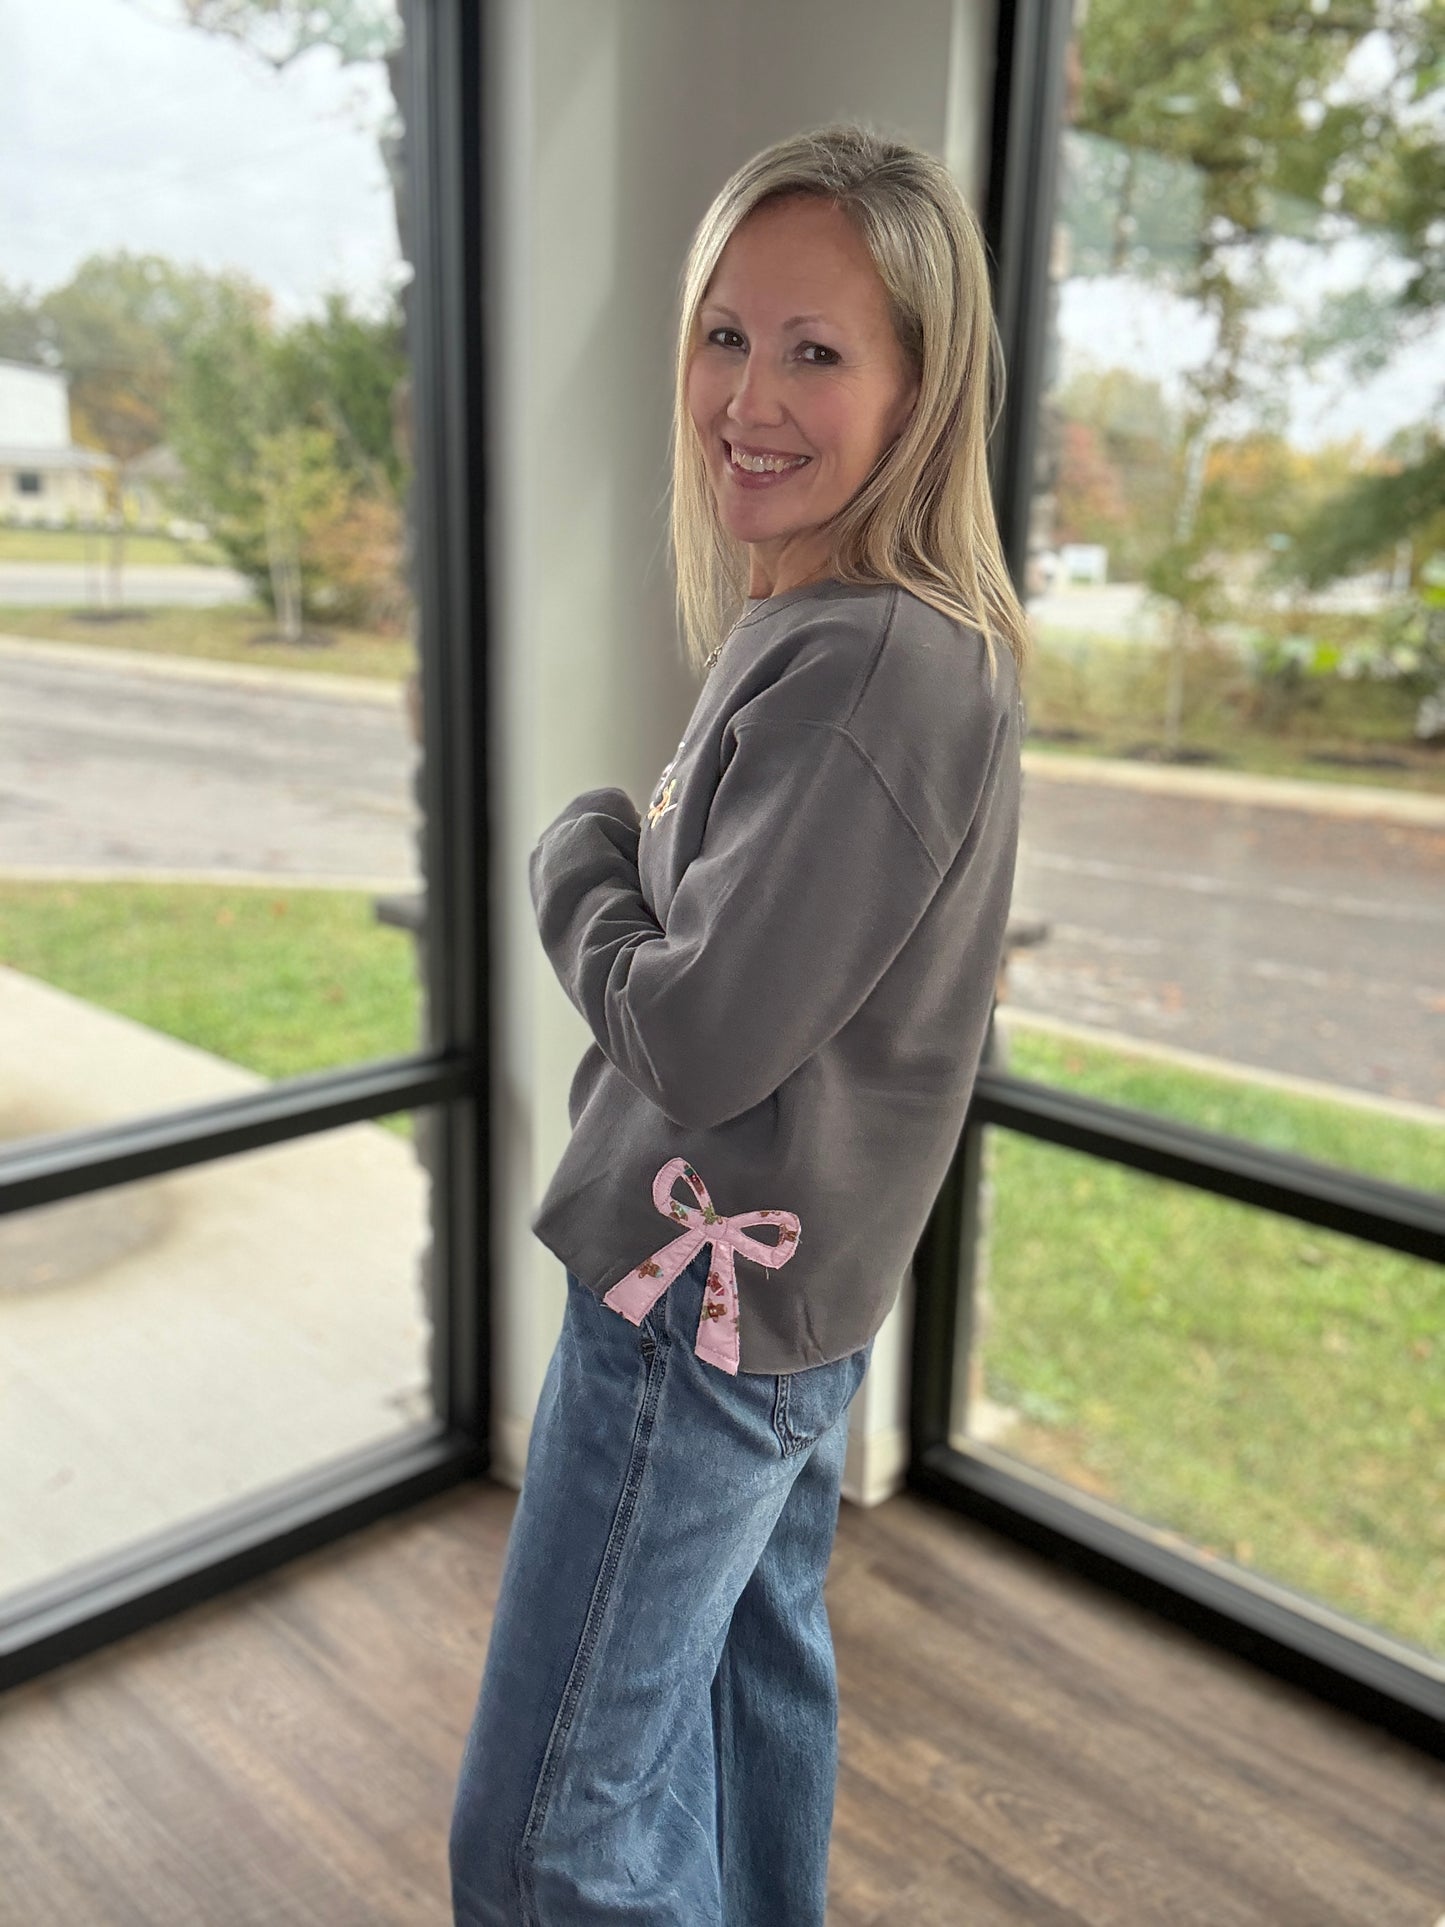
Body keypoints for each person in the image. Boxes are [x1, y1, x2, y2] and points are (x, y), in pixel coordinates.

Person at [448, 119, 1030, 1926]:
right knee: (739, 1708)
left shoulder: (867, 663)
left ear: (920, 389)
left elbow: (696, 1039)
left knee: (545, 1835)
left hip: (689, 1315)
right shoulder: (854, 630)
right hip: (770, 1314)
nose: (747, 399)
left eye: (816, 351)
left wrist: (576, 851)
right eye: (723, 335)